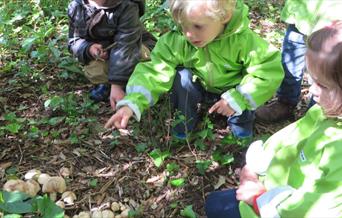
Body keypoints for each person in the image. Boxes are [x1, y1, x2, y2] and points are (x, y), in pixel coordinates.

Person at [205, 21, 342, 218]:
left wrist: (259, 199)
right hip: (271, 189)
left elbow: (315, 209)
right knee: (213, 204)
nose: (312, 91)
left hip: (275, 209)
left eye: (323, 85)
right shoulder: (322, 112)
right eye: (311, 80)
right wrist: (254, 166)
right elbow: (287, 138)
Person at [104, 0, 284, 139]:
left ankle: (240, 128)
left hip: (233, 90)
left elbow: (267, 71)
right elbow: (154, 70)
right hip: (200, 87)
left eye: (198, 26)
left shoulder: (243, 41)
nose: (189, 34)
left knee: (243, 114)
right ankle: (185, 122)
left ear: (225, 16)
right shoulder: (178, 41)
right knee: (182, 77)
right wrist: (132, 103)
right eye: (183, 26)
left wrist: (238, 98)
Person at [256, 0, 342, 122]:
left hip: (331, 19)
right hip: (301, 12)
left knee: (325, 74)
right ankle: (285, 103)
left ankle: (316, 116)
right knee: (290, 64)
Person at [67, 0, 155, 109]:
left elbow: (126, 46)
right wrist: (89, 48)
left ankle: (133, 85)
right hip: (106, 52)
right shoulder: (77, 7)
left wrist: (117, 85)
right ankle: (107, 84)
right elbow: (74, 41)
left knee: (140, 56)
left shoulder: (127, 6)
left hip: (135, 45)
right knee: (95, 70)